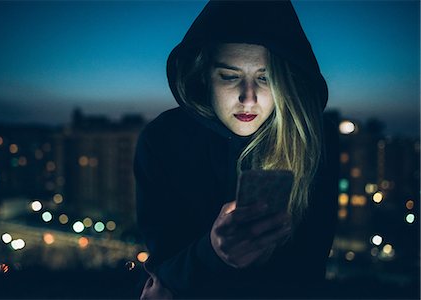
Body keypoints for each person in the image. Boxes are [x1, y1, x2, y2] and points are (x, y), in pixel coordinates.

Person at [133, 1, 339, 299]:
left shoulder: (313, 139)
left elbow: (309, 270)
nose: (248, 98)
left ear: (285, 80)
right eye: (229, 76)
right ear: (203, 74)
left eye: (265, 78)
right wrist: (212, 252)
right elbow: (164, 266)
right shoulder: (163, 139)